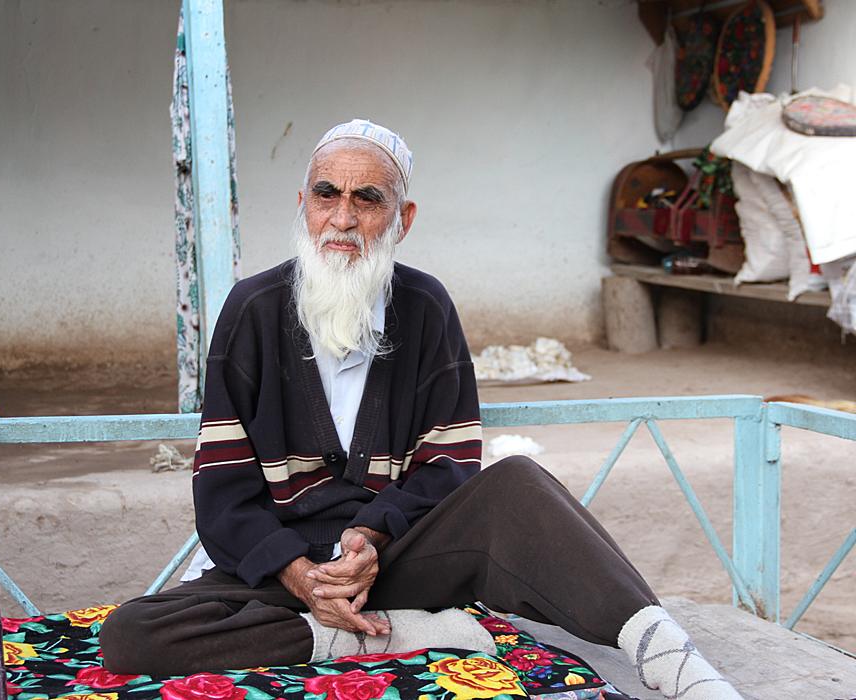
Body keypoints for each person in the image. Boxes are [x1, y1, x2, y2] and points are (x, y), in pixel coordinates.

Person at [100, 119, 741, 700]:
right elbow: (222, 490)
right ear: (303, 206)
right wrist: (301, 575)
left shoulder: (426, 306)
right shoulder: (252, 309)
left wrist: (373, 534)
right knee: (133, 635)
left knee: (520, 484)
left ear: (402, 218)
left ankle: (673, 661)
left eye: (367, 199)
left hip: (399, 556)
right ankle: (388, 635)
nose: (343, 218)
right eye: (327, 195)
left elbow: (450, 462)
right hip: (287, 570)